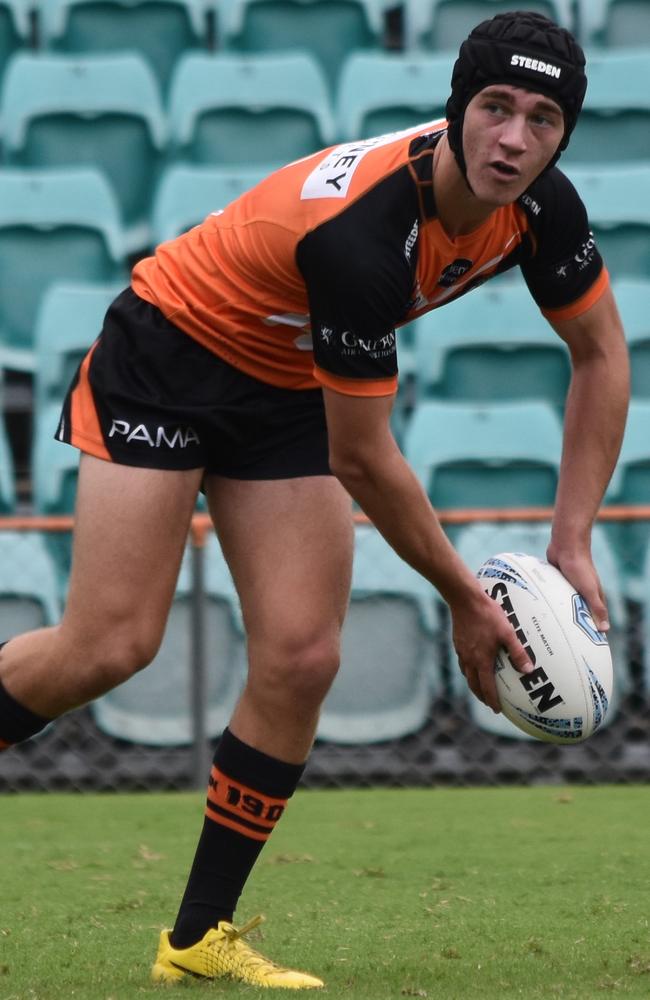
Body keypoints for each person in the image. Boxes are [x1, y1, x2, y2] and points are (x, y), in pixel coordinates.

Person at [0, 9, 629, 990]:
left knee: (302, 655)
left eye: (542, 118)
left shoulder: (544, 209)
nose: (512, 137)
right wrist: (469, 598)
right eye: (494, 107)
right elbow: (365, 460)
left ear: (563, 135)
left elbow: (600, 356)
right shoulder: (363, 235)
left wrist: (571, 540)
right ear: (456, 106)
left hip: (286, 381)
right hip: (166, 356)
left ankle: (196, 937)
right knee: (110, 645)